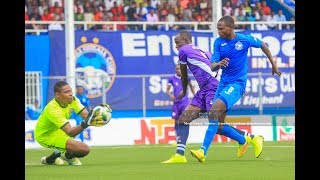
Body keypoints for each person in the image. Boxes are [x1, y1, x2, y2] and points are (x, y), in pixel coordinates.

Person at [162, 30, 264, 164]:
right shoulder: (203, 52)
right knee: (183, 119)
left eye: (177, 42)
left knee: (217, 125)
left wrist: (184, 90)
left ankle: (250, 138)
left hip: (212, 88)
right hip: (205, 89)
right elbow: (218, 68)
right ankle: (180, 155)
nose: (176, 46)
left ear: (186, 41)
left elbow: (184, 74)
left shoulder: (184, 50)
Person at [190, 15, 281, 163]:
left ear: (231, 27)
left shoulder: (244, 40)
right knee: (218, 125)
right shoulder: (218, 42)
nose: (218, 31)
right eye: (217, 28)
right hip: (222, 84)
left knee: (213, 112)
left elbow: (263, 45)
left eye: (221, 28)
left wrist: (273, 64)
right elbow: (212, 66)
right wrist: (219, 63)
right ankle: (248, 139)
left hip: (237, 84)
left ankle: (202, 152)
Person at [34, 81, 99, 166]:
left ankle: (50, 159)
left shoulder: (73, 100)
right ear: (58, 95)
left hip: (60, 130)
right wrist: (85, 124)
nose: (70, 94)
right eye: (66, 92)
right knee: (84, 149)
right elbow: (70, 131)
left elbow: (86, 116)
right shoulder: (52, 109)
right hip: (45, 136)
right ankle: (67, 156)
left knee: (77, 148)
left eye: (70, 91)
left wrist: (98, 117)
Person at [166, 64, 196, 143]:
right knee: (176, 121)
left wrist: (195, 96)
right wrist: (171, 95)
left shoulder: (186, 78)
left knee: (185, 120)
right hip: (176, 103)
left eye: (179, 69)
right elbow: (167, 91)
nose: (177, 70)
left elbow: (191, 87)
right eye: (176, 69)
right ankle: (178, 138)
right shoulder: (172, 79)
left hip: (185, 102)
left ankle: (185, 138)